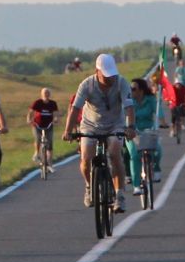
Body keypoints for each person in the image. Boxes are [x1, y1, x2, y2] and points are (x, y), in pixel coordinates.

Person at [63, 53, 132, 212]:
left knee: (115, 154)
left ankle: (119, 194)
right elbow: (75, 109)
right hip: (90, 125)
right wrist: (68, 131)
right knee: (86, 158)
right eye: (106, 76)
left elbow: (129, 107)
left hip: (115, 124)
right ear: (97, 71)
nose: (110, 79)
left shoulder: (121, 82)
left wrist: (131, 127)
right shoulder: (86, 85)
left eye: (112, 75)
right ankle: (89, 186)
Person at [127, 77, 163, 190]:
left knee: (157, 150)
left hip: (148, 130)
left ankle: (156, 168)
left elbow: (159, 112)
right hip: (133, 132)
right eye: (130, 89)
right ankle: (136, 185)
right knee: (134, 154)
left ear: (141, 90)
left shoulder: (151, 99)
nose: (131, 91)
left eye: (133, 89)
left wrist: (163, 122)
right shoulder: (129, 102)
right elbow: (124, 115)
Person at [27, 87, 60, 176]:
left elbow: (56, 113)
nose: (46, 94)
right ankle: (36, 153)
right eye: (45, 93)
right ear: (41, 94)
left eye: (48, 93)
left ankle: (50, 164)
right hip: (37, 125)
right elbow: (31, 111)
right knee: (38, 139)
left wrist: (56, 119)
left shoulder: (53, 103)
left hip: (49, 125)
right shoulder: (37, 102)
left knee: (49, 144)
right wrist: (29, 119)